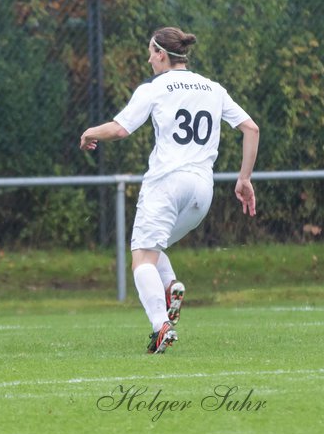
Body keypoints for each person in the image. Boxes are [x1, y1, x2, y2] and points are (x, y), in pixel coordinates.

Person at [80, 26, 259, 354]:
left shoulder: (155, 87)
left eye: (151, 52)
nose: (149, 59)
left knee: (141, 260)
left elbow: (120, 130)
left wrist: (91, 131)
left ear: (162, 54)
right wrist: (244, 178)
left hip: (166, 184)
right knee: (153, 248)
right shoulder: (212, 88)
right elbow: (251, 127)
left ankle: (161, 326)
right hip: (202, 191)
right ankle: (170, 285)